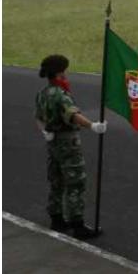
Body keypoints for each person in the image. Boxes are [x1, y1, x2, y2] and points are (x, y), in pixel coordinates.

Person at [35, 54, 107, 239]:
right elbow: (72, 115)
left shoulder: (43, 93)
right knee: (75, 182)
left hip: (53, 143)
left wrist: (45, 131)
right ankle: (77, 224)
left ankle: (57, 218)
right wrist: (92, 125)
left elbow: (38, 117)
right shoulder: (61, 95)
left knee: (56, 181)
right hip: (68, 144)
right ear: (60, 72)